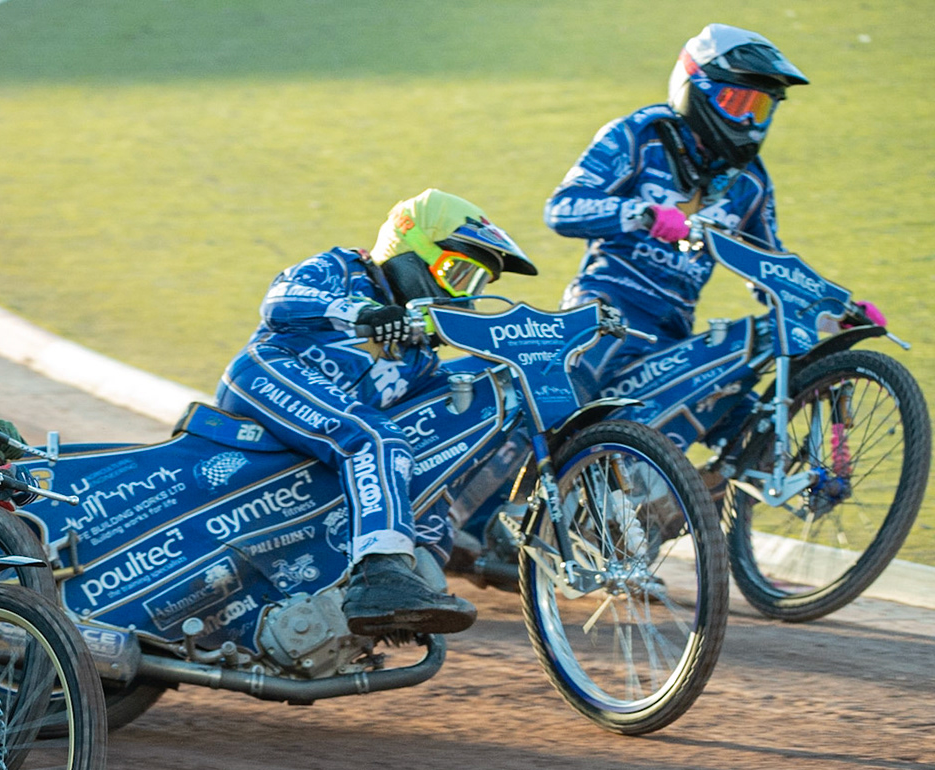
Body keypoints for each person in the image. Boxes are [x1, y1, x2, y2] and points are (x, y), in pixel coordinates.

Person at [215, 189, 536, 635]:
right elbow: (281, 300)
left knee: (417, 447)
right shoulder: (344, 267)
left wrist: (426, 563)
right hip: (263, 375)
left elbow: (424, 465)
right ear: (412, 250)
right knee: (376, 439)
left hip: (321, 431)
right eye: (458, 274)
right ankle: (379, 576)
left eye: (476, 285)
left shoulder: (420, 360)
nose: (464, 297)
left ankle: (394, 578)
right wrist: (363, 312)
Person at [545, 24, 812, 389]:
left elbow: (769, 266)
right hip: (606, 308)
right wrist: (642, 214)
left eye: (761, 108)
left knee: (736, 406)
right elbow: (562, 209)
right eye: (737, 104)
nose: (750, 122)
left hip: (674, 335)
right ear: (695, 89)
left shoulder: (752, 182)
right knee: (568, 396)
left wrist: (832, 306)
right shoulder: (638, 135)